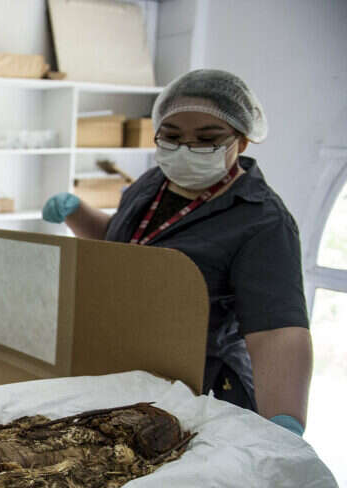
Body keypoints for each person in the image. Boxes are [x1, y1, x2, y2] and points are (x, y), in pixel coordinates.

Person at [41, 69, 312, 436]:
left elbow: (276, 331)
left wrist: (283, 417)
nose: (184, 149)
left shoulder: (262, 221)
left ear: (242, 141)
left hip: (201, 390)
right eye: (171, 136)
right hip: (127, 369)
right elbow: (125, 246)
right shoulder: (153, 183)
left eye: (206, 139)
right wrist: (77, 213)